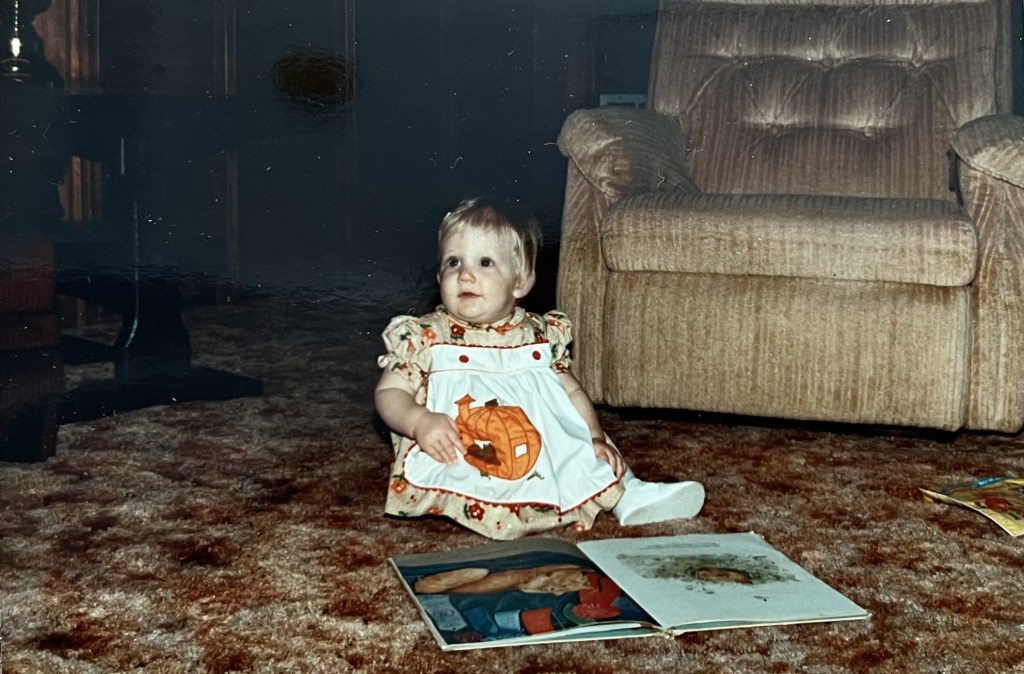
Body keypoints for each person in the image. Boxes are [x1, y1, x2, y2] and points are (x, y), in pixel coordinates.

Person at [375, 196, 704, 539]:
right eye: (453, 262)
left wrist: (594, 437)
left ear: (520, 281)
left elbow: (571, 393)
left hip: (537, 441)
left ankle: (628, 492)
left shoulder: (539, 335)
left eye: (485, 262)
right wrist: (418, 421)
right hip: (460, 444)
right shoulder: (426, 336)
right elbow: (390, 391)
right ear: (439, 274)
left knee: (576, 435)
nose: (465, 274)